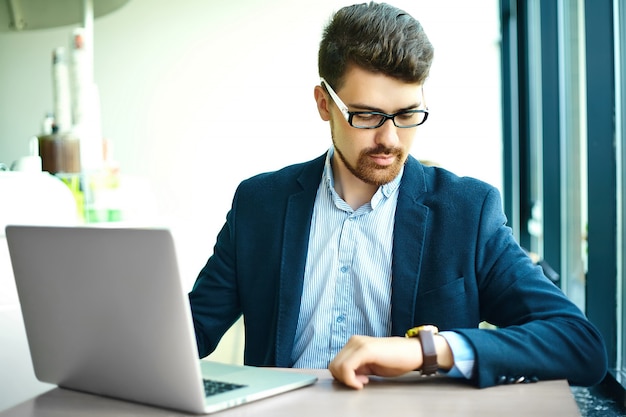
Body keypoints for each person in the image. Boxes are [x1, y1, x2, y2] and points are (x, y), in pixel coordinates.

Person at [189, 1, 607, 389]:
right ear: (323, 103)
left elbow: (578, 344)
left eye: (407, 115)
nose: (389, 139)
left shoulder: (467, 211)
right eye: (367, 115)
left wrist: (427, 350)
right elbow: (190, 331)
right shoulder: (260, 204)